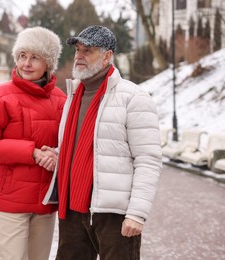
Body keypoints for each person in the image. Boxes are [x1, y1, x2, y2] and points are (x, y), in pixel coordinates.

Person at [42, 25, 163, 259]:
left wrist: (137, 214)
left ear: (108, 56)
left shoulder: (134, 98)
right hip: (72, 208)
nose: (79, 56)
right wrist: (60, 152)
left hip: (113, 212)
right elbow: (89, 143)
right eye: (78, 50)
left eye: (88, 50)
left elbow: (148, 160)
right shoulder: (75, 95)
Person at [0, 26, 66, 260]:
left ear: (48, 63)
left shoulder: (61, 100)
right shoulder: (0, 96)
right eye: (22, 56)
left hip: (45, 199)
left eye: (35, 57)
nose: (26, 63)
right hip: (9, 201)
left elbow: (69, 142)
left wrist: (56, 154)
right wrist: (33, 153)